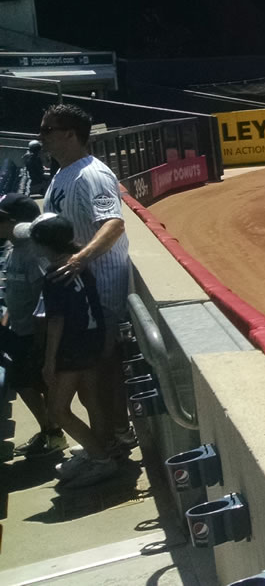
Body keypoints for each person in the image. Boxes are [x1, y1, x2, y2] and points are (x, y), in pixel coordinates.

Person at [37, 104, 133, 452]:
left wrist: (79, 259)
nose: (41, 136)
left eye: (48, 130)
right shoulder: (62, 174)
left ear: (69, 134)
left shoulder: (92, 174)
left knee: (103, 372)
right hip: (79, 295)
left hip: (100, 291)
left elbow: (113, 222)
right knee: (88, 378)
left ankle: (117, 439)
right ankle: (104, 442)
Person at [15, 214, 118, 487]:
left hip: (72, 349)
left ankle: (100, 460)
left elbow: (56, 321)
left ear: (45, 244)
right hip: (92, 341)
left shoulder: (55, 275)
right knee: (91, 400)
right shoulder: (80, 263)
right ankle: (100, 448)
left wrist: (49, 362)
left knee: (59, 409)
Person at [0, 193, 65, 458]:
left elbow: (45, 300)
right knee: (23, 381)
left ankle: (54, 434)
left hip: (35, 336)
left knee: (36, 383)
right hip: (19, 330)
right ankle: (50, 431)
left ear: (15, 222)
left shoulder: (32, 252)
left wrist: (43, 344)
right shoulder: (13, 248)